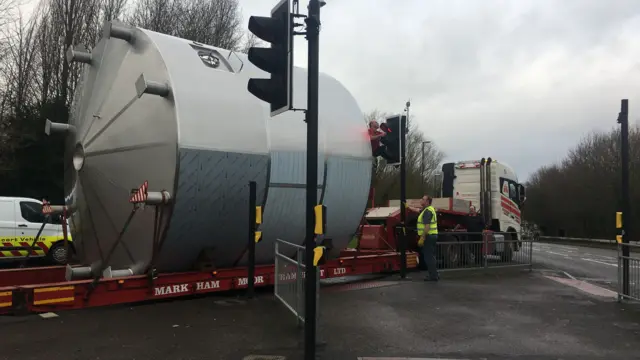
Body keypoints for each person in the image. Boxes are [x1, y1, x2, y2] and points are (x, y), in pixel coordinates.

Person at [416, 195, 439, 282]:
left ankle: (433, 276)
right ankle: (435, 274)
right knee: (431, 256)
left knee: (428, 257)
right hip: (433, 235)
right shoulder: (428, 209)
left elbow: (427, 226)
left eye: (423, 199)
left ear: (427, 202)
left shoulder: (427, 212)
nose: (421, 200)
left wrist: (422, 238)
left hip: (428, 236)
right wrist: (407, 207)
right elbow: (417, 210)